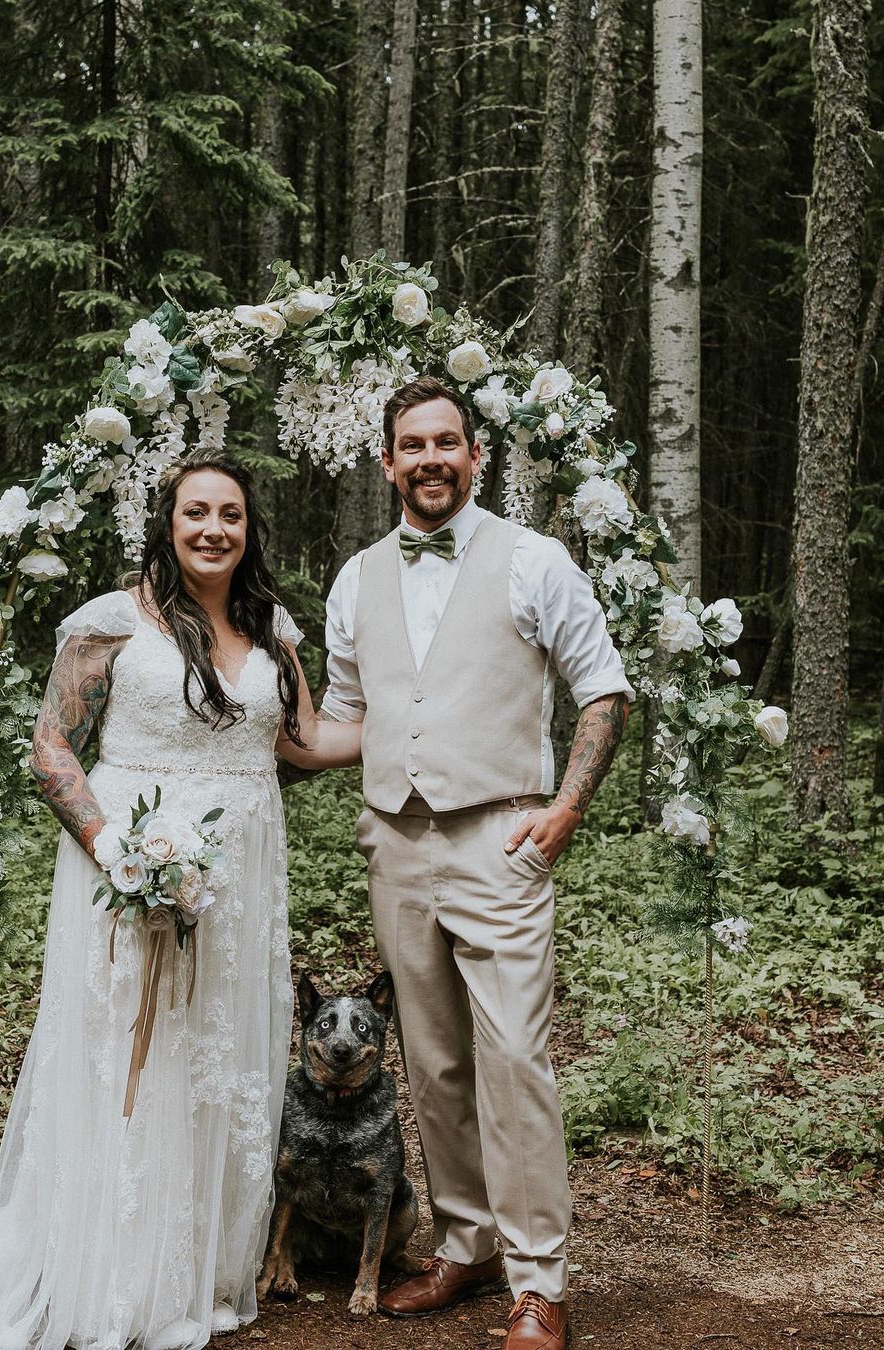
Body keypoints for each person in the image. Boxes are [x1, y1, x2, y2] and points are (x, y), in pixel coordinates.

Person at [0, 449, 359, 1350]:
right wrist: (118, 855)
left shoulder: (271, 628)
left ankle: (190, 1268)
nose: (214, 529)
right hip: (130, 864)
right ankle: (112, 1271)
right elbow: (52, 746)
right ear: (167, 520)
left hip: (240, 874)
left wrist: (418, 718)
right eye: (196, 511)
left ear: (250, 529)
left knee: (213, 1058)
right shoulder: (113, 622)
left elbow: (304, 740)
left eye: (232, 515)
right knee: (135, 1055)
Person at [318, 376, 633, 1350]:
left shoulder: (535, 562)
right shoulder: (354, 578)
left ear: (476, 455)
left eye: (447, 443)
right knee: (435, 1061)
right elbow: (344, 719)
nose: (430, 460)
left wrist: (568, 807)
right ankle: (465, 1244)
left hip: (502, 837)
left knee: (512, 1059)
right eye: (412, 446)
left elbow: (605, 690)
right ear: (387, 463)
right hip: (396, 848)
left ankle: (540, 1281)